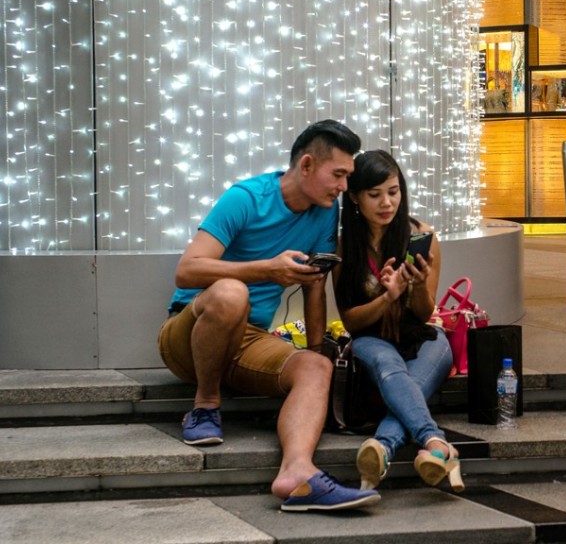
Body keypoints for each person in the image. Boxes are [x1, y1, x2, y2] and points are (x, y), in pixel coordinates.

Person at [159, 120, 380, 511]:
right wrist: (265, 269)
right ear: (307, 165)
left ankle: (297, 475)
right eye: (339, 174)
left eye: (348, 176)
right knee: (231, 293)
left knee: (314, 367)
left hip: (249, 340)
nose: (345, 187)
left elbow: (315, 283)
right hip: (189, 332)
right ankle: (205, 406)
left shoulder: (325, 211)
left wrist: (318, 351)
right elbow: (187, 269)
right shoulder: (245, 197)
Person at [333, 150, 462, 492]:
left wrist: (416, 287)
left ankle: (382, 447)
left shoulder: (421, 236)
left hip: (422, 336)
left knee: (413, 373)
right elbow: (350, 320)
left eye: (393, 191)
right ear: (356, 197)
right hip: (370, 339)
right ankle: (436, 443)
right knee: (391, 366)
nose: (386, 202)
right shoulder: (346, 247)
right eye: (375, 195)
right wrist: (386, 298)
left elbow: (422, 314)